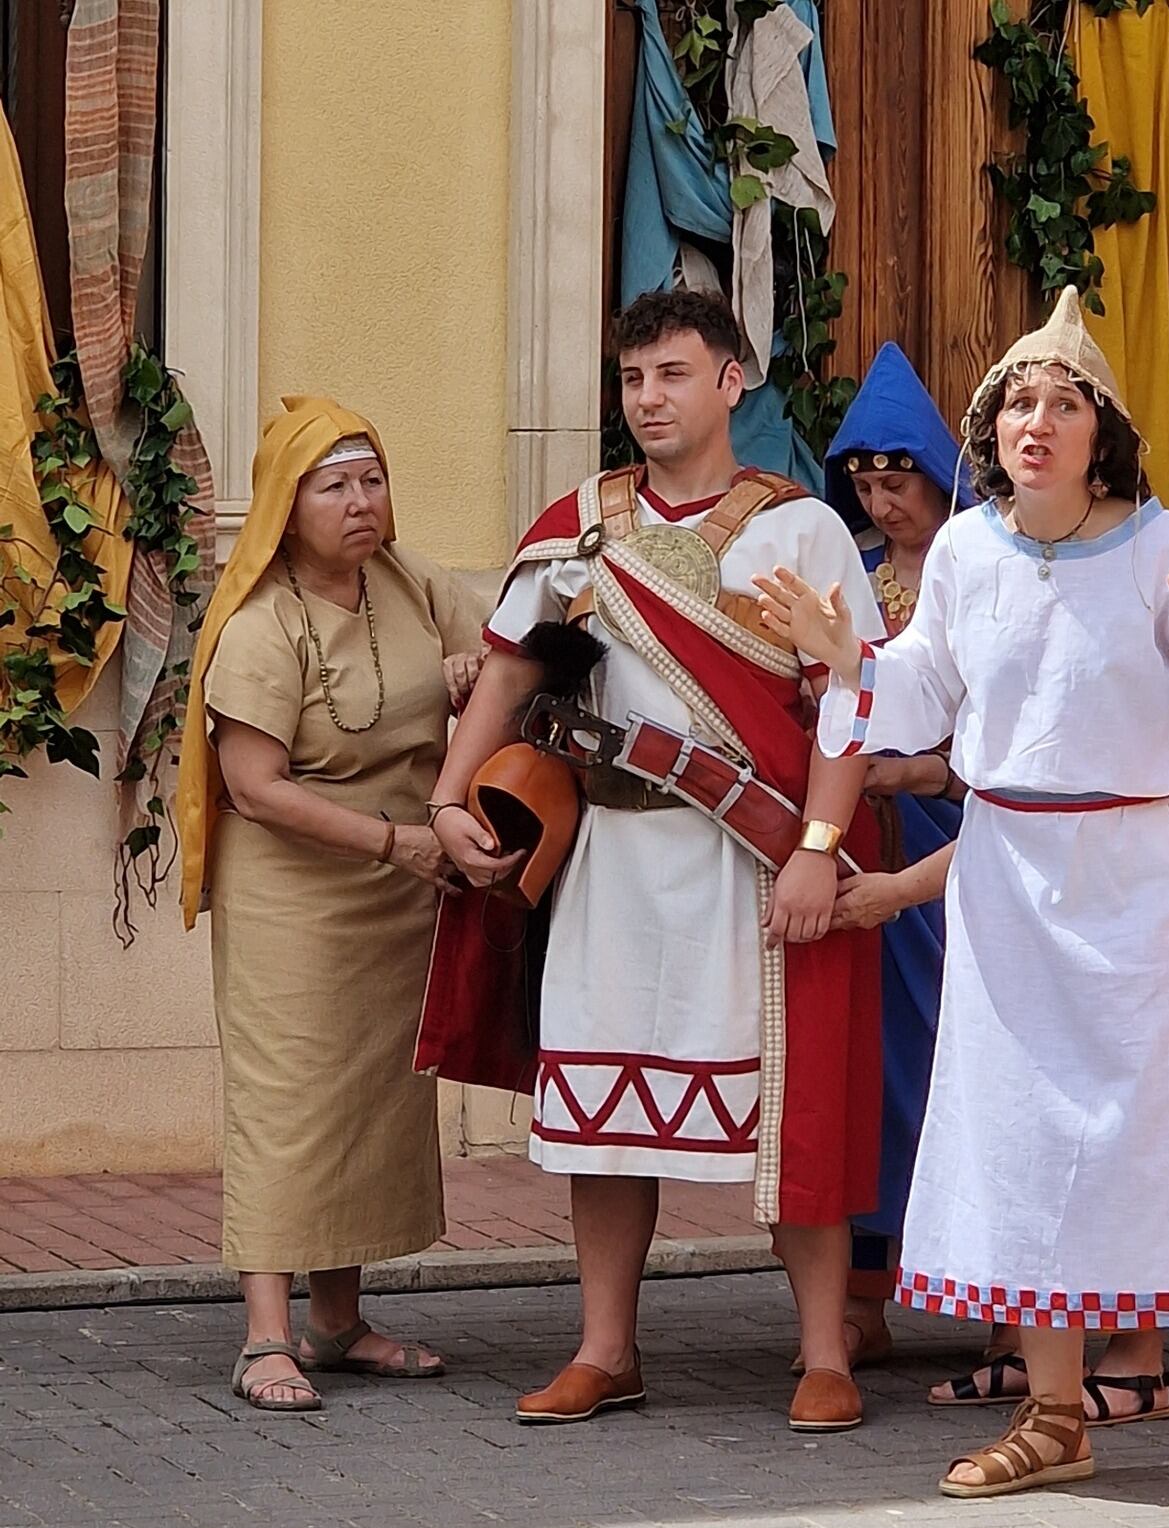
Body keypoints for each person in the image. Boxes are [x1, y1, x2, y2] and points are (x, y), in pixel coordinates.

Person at [756, 287, 1169, 1521]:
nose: (1034, 421)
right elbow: (922, 689)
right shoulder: (967, 550)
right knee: (1024, 1133)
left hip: (1138, 882)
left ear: (1101, 430)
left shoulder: (1160, 544)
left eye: (1062, 402)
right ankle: (1053, 1417)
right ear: (990, 430)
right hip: (1008, 881)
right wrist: (850, 663)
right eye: (1015, 404)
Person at [429, 290, 886, 1432]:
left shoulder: (799, 529)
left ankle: (824, 1353)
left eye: (673, 376)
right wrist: (447, 798)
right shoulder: (578, 528)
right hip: (611, 866)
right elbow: (510, 675)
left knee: (788, 1104)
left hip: (750, 863)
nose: (649, 400)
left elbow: (849, 702)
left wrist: (819, 853)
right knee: (600, 1109)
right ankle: (605, 1350)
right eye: (634, 380)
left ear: (734, 380)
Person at [177, 397, 487, 1412]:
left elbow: (503, 648)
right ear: (286, 504)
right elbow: (254, 788)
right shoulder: (261, 626)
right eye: (333, 485)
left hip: (400, 890)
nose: (360, 503)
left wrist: (472, 677)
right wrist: (399, 841)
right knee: (288, 1105)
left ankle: (339, 1321)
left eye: (372, 479)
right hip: (295, 896)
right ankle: (266, 1335)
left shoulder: (406, 582)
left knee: (370, 1103)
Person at [928, 742, 1169, 1420]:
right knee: (1029, 1124)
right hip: (1024, 883)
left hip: (1143, 873)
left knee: (1161, 1131)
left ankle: (1167, 1374)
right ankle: (1047, 1395)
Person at [808, 343, 973, 1368]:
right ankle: (865, 1292)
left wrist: (909, 773)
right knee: (874, 1064)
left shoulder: (982, 575)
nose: (881, 496)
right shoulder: (853, 584)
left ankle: (1011, 1301)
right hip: (869, 855)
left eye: (897, 476)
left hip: (967, 851)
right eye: (863, 480)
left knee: (964, 1062)